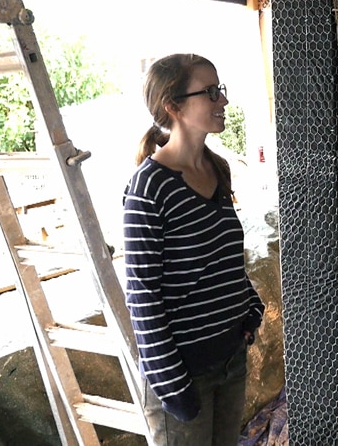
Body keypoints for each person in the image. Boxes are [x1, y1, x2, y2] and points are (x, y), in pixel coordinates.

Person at [123, 53, 265, 445]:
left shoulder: (217, 169)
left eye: (220, 91)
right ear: (174, 107)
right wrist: (171, 384)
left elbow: (222, 256)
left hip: (230, 359)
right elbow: (142, 296)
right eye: (211, 93)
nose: (223, 101)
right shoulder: (149, 187)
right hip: (184, 374)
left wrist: (249, 306)